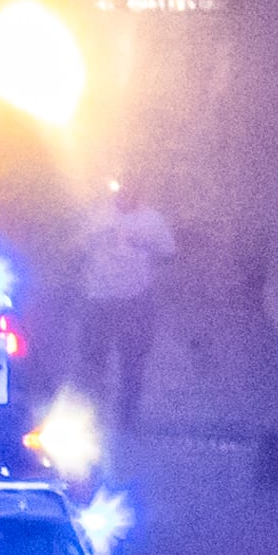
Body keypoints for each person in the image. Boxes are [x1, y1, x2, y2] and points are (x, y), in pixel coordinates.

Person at [74, 180, 179, 431]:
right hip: (98, 299)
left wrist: (145, 247)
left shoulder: (152, 220)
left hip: (135, 301)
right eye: (123, 190)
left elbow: (169, 252)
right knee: (93, 361)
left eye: (133, 190)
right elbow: (79, 248)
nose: (126, 195)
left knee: (133, 362)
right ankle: (92, 417)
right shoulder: (98, 215)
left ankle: (127, 418)